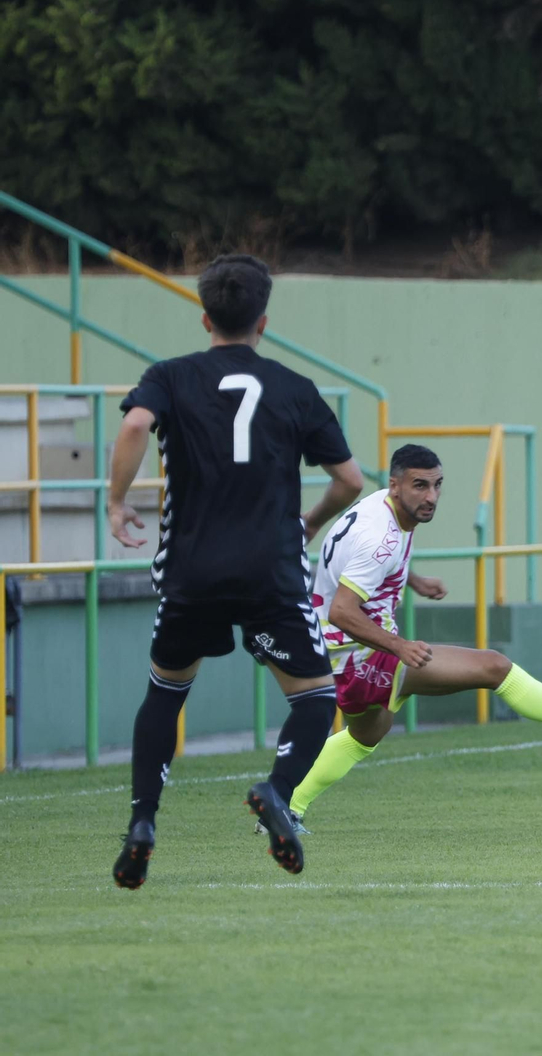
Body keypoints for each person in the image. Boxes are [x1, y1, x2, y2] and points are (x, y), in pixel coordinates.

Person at [108, 254, 365, 888]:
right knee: (314, 699)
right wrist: (307, 521)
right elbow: (351, 481)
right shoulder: (294, 388)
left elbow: (136, 422)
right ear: (263, 321)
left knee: (165, 694)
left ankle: (143, 822)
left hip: (191, 570)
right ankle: (277, 791)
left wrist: (116, 501)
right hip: (270, 571)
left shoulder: (168, 377)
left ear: (205, 319)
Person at [274, 444, 542, 827]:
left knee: (366, 735)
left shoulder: (381, 508)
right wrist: (400, 646)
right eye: (420, 486)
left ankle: (285, 803)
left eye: (437, 485)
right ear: (394, 485)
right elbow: (342, 610)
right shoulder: (381, 538)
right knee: (493, 666)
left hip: (341, 651)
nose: (431, 497)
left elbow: (360, 566)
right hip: (359, 656)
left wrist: (413, 580)